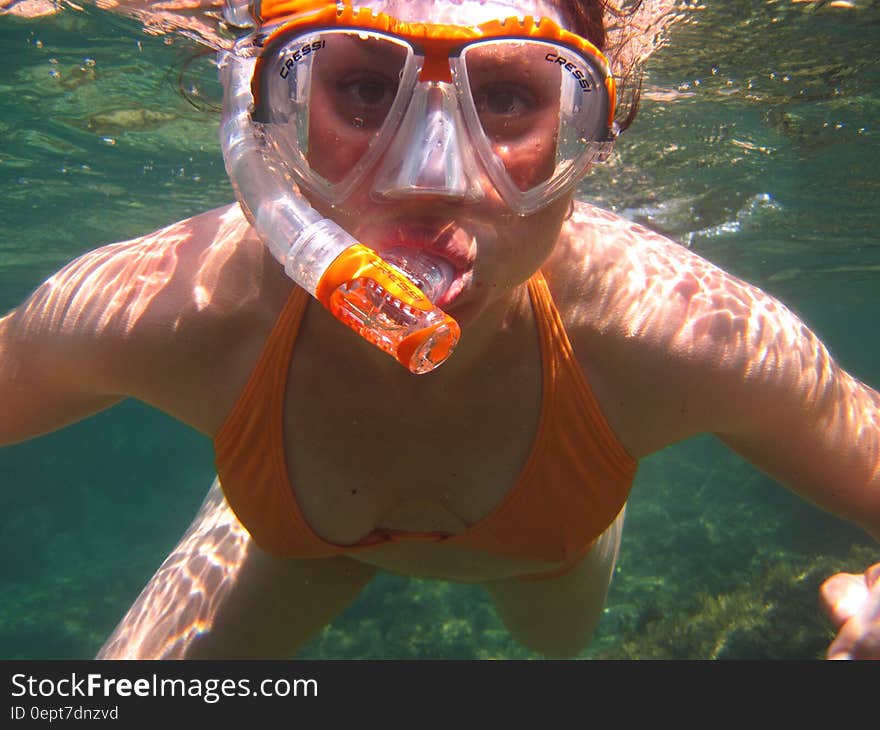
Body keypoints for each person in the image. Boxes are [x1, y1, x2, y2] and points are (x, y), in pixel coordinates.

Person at [1, 0, 878, 660]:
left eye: (503, 96)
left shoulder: (678, 335)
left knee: (552, 653)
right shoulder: (171, 308)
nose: (431, 176)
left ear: (592, 136)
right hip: (294, 539)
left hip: (544, 558)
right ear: (264, 120)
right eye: (364, 86)